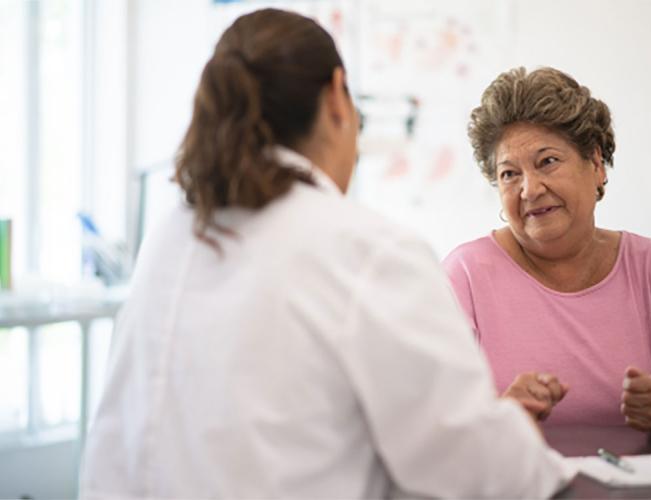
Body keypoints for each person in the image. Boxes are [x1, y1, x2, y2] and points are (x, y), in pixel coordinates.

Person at [79, 10, 575, 499]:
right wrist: (517, 435)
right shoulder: (365, 250)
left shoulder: (171, 237)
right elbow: (483, 472)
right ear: (338, 97)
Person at [443, 67, 651, 432]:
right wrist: (500, 414)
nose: (529, 189)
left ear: (594, 164)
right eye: (509, 174)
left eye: (547, 161)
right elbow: (432, 415)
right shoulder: (463, 274)